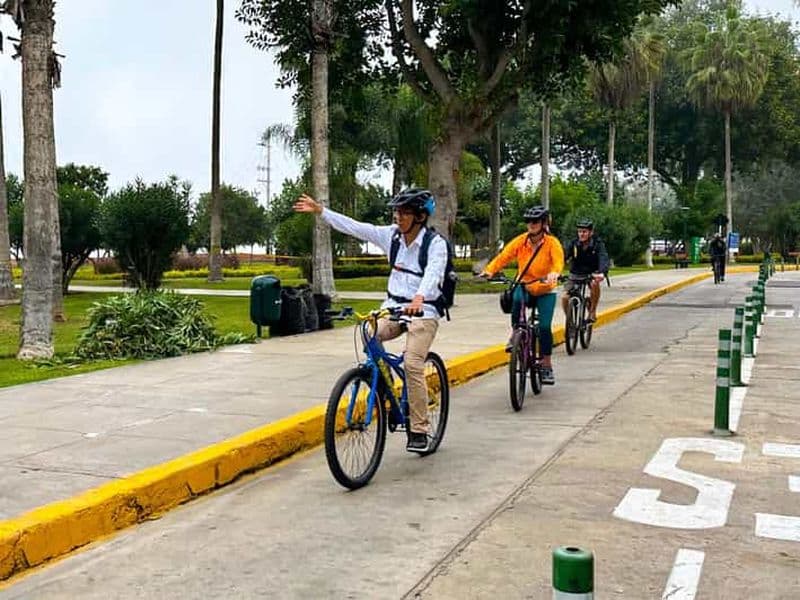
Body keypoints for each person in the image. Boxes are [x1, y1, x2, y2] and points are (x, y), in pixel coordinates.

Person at [294, 188, 447, 453]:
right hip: (393, 307)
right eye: (396, 212)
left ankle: (419, 429)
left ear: (420, 216)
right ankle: (385, 385)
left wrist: (420, 298)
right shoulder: (392, 236)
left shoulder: (435, 244)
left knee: (412, 364)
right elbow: (356, 228)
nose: (398, 217)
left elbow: (433, 273)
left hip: (424, 311)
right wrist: (321, 211)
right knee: (368, 332)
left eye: (405, 212)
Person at [479, 205, 564, 385]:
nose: (531, 225)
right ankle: (515, 333)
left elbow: (558, 262)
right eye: (528, 221)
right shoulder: (521, 241)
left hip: (545, 288)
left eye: (535, 221)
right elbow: (504, 257)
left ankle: (546, 364)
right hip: (524, 284)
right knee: (516, 299)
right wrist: (489, 271)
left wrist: (554, 273)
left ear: (544, 223)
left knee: (544, 327)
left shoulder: (552, 243)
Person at [561, 218, 609, 322]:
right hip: (575, 274)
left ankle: (592, 311)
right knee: (565, 297)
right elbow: (563, 256)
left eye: (584, 232)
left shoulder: (598, 244)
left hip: (591, 274)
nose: (581, 234)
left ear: (591, 232)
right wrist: (556, 270)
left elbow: (603, 258)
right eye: (579, 232)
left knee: (594, 284)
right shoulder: (574, 243)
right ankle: (570, 322)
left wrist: (602, 272)